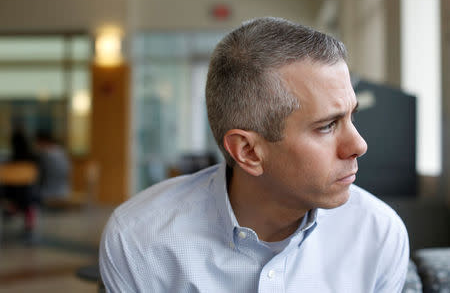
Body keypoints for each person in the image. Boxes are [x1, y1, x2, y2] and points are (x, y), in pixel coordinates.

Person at [100, 17, 409, 292]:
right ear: (248, 152)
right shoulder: (141, 240)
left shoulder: (378, 234)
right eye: (327, 126)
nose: (359, 145)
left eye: (351, 117)